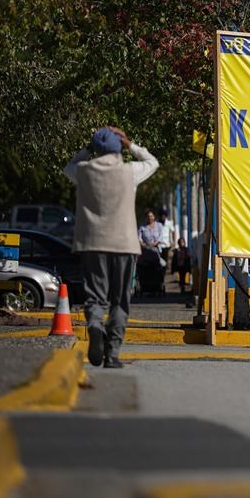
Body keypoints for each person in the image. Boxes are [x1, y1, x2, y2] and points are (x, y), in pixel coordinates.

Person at [63, 126, 158, 368]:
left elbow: (68, 166)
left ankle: (95, 326)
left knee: (95, 297)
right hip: (124, 245)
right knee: (120, 300)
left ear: (95, 149)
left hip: (93, 244)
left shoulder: (83, 171)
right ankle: (112, 353)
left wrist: (87, 148)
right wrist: (130, 144)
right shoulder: (130, 171)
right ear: (119, 148)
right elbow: (152, 162)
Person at [137, 209, 165, 296]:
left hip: (156, 250)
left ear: (154, 217)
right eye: (148, 216)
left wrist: (155, 244)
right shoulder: (142, 227)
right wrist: (144, 245)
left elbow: (161, 237)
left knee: (163, 264)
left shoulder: (159, 225)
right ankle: (143, 284)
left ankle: (159, 283)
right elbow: (139, 239)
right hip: (145, 250)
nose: (150, 218)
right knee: (141, 266)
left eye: (151, 216)